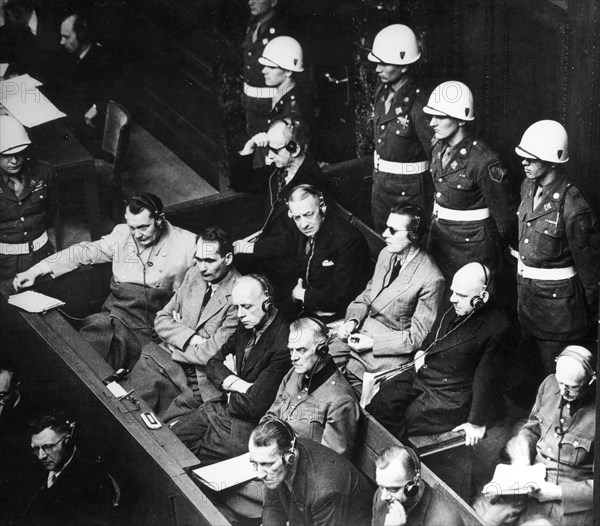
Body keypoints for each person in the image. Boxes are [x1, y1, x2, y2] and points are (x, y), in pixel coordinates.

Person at [13, 192, 197, 369]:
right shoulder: (122, 234)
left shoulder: (188, 245)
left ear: (159, 220)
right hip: (114, 311)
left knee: (130, 359)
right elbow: (83, 252)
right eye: (132, 227)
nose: (137, 235)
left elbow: (208, 287)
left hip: (150, 322)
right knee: (87, 345)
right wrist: (36, 270)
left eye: (143, 227)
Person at [367, 262, 511, 445]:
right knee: (380, 403)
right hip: (422, 374)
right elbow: (433, 336)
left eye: (461, 295)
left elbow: (486, 379)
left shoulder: (498, 328)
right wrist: (421, 352)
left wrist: (476, 422)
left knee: (401, 419)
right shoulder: (456, 304)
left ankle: (400, 460)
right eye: (453, 292)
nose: (452, 299)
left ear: (482, 297)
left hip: (448, 396)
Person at [170, 275, 291, 465]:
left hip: (243, 429)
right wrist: (238, 383)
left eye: (246, 306)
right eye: (237, 307)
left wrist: (228, 387)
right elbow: (213, 363)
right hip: (218, 409)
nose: (240, 314)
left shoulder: (283, 342)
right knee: (168, 441)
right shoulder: (247, 325)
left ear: (267, 304)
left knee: (184, 460)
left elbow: (254, 405)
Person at [513, 120, 600, 376]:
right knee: (530, 376)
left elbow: (591, 273)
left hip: (559, 315)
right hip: (528, 303)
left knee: (556, 378)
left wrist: (590, 315)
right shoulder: (528, 187)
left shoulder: (573, 205)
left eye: (531, 159)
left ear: (553, 160)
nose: (524, 163)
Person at [128, 227, 241, 421]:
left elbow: (212, 353)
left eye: (209, 261)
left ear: (227, 259)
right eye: (198, 259)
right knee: (132, 398)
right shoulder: (194, 274)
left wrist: (177, 338)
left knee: (159, 420)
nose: (202, 267)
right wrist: (194, 338)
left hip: (200, 378)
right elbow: (161, 321)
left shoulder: (240, 293)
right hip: (167, 360)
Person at [330, 204, 445, 386]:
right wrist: (352, 321)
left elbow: (417, 336)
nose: (384, 234)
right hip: (358, 333)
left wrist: (373, 343)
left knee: (343, 389)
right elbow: (368, 295)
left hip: (385, 352)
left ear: (413, 236)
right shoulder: (386, 254)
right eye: (386, 227)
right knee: (316, 365)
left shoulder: (431, 278)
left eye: (393, 230)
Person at [479, 346, 595, 526]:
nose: (563, 392)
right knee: (484, 518)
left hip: (568, 500)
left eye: (572, 387)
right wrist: (523, 447)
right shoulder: (549, 384)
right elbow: (532, 428)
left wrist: (557, 492)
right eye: (561, 382)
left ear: (590, 381)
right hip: (532, 480)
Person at [423, 80, 517, 280]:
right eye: (431, 116)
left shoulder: (484, 160)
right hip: (439, 238)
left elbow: (505, 220)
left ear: (461, 119)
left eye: (440, 116)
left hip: (471, 248)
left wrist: (494, 250)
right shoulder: (437, 147)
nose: (432, 123)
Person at [230, 117, 324, 295]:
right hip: (268, 253)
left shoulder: (311, 183)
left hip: (288, 268)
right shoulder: (280, 169)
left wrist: (250, 248)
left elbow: (293, 240)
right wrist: (249, 146)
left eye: (274, 150)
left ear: (294, 149)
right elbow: (241, 182)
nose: (269, 156)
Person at [367, 24, 434, 231]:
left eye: (384, 63)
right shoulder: (382, 91)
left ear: (404, 66)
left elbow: (436, 153)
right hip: (381, 188)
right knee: (383, 242)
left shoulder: (419, 103)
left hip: (409, 192)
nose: (377, 69)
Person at [263, 317, 359, 458]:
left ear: (322, 350)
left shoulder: (340, 400)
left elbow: (328, 462)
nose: (293, 357)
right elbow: (271, 416)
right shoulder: (294, 373)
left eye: (301, 350)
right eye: (291, 350)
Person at [250, 418, 374, 526]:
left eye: (268, 464)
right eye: (255, 463)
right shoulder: (279, 460)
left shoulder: (325, 492)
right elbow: (273, 505)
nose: (260, 474)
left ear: (290, 456)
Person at [281, 184, 370, 322]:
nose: (303, 224)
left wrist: (302, 294)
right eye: (297, 217)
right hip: (310, 304)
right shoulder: (309, 228)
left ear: (322, 207)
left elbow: (339, 296)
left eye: (308, 214)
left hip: (339, 314)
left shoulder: (349, 241)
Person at [17, 411, 116, 526]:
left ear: (67, 442)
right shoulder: (31, 467)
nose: (41, 456)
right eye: (35, 449)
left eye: (48, 447)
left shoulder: (93, 480)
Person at [43, 10, 115, 143]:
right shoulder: (67, 54)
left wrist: (94, 109)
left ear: (82, 36)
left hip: (86, 129)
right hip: (67, 115)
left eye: (66, 37)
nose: (62, 42)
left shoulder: (103, 61)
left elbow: (107, 99)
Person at [0, 115, 55, 280]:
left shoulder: (44, 172)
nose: (14, 160)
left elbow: (53, 211)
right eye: (6, 155)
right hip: (4, 262)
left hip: (41, 254)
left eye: (18, 153)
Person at [372, 445, 464, 526]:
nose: (383, 497)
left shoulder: (447, 521)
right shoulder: (380, 496)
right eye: (381, 486)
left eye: (392, 489)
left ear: (412, 486)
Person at [243, 0, 286, 137]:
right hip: (252, 107)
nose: (250, 2)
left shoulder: (282, 29)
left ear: (273, 2)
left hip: (274, 107)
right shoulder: (253, 25)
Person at [259, 36, 311, 126]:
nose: (263, 71)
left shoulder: (294, 109)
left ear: (288, 71)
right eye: (265, 66)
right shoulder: (280, 95)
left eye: (271, 67)